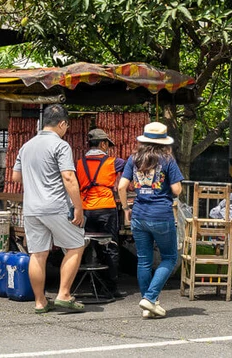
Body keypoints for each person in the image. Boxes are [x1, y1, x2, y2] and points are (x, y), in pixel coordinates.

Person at [12, 104, 86, 313]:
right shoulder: (61, 146)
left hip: (31, 208)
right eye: (67, 126)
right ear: (62, 124)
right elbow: (69, 177)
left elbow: (16, 177)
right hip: (54, 206)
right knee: (76, 245)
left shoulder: (26, 146)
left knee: (38, 254)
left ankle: (40, 302)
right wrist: (78, 208)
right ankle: (64, 294)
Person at [117, 121, 183, 318]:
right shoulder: (168, 159)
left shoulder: (134, 159)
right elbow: (177, 190)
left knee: (144, 261)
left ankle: (149, 304)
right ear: (163, 142)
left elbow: (121, 187)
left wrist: (126, 208)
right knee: (170, 258)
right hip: (161, 215)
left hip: (138, 214)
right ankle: (150, 298)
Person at [75, 128, 126, 298]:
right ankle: (110, 288)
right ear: (103, 144)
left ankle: (94, 284)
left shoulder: (78, 163)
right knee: (110, 247)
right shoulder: (114, 162)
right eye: (107, 145)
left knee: (91, 246)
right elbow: (130, 168)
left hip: (86, 210)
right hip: (106, 208)